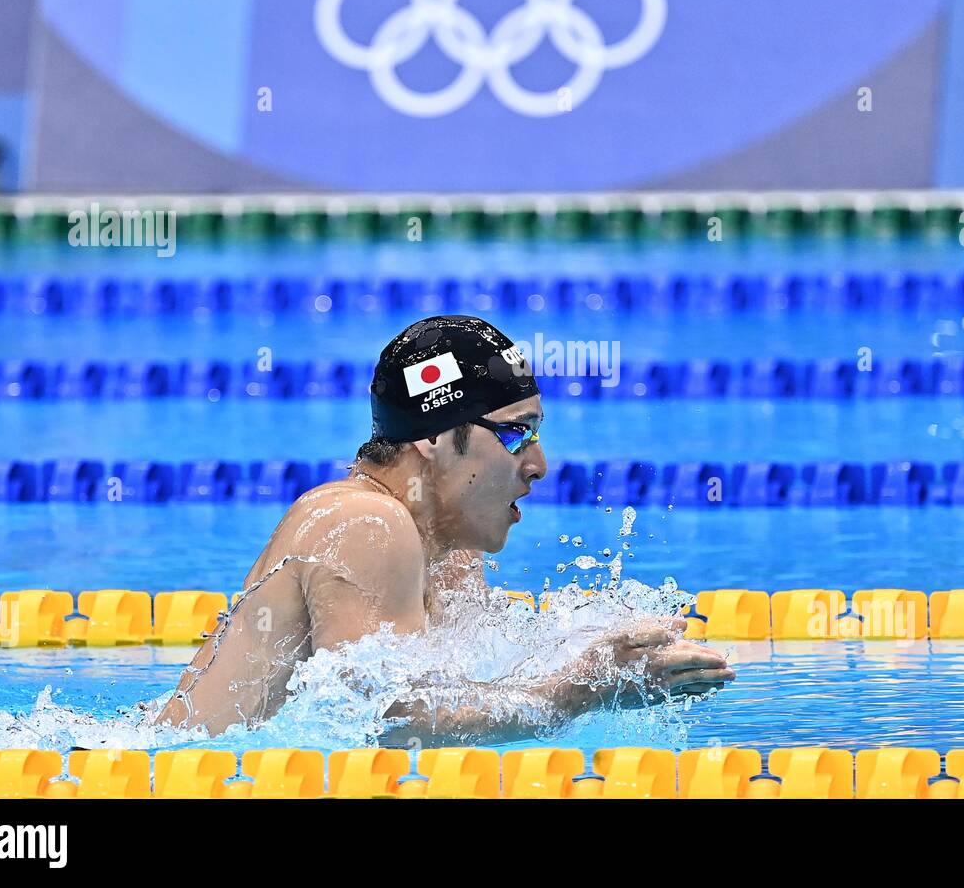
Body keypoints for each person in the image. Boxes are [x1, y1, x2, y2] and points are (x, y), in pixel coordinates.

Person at [155, 315, 734, 739]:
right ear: (433, 438)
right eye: (516, 433)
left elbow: (457, 696)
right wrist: (582, 689)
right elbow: (386, 721)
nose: (538, 465)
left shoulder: (448, 548)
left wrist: (606, 657)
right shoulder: (366, 520)